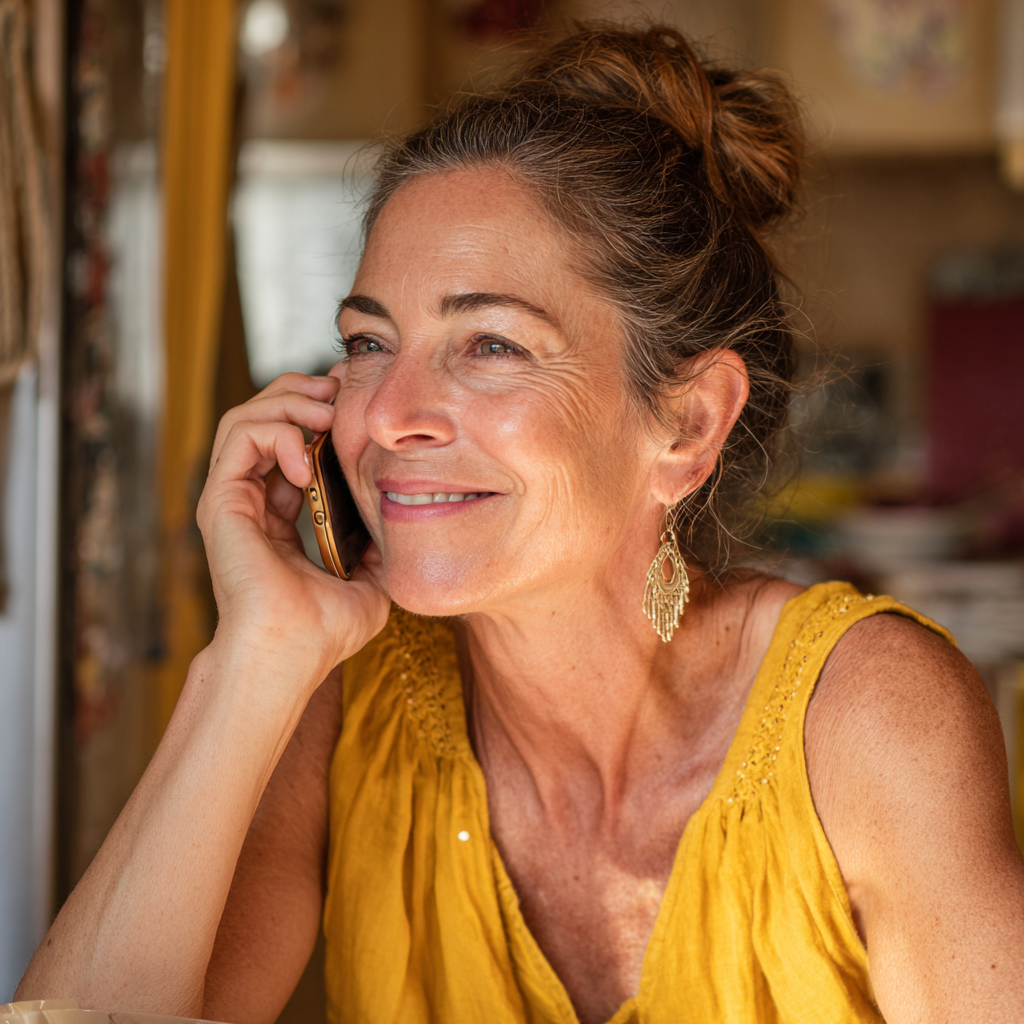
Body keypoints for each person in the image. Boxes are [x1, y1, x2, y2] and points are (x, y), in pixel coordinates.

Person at [17, 21, 1024, 1024]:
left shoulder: (865, 720)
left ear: (686, 421)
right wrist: (253, 654)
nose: (388, 414)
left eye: (490, 343)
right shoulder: (341, 703)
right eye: (369, 342)